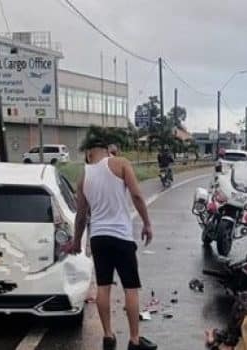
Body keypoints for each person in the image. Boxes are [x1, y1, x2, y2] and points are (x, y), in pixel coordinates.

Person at [65, 127, 158, 350]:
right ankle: (135, 340)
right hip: (121, 236)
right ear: (108, 149)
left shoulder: (84, 176)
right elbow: (136, 194)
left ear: (89, 152)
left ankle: (108, 336)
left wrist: (77, 242)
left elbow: (81, 215)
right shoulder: (121, 163)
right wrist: (147, 223)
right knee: (130, 288)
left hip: (98, 237)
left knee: (103, 287)